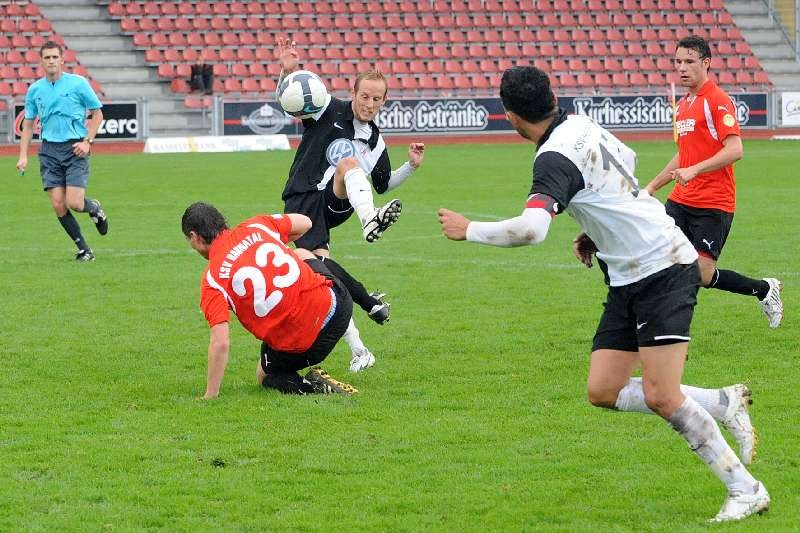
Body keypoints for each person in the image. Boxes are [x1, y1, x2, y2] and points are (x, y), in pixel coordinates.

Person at [438, 66, 769, 522]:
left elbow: (532, 230)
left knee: (661, 395)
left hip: (663, 265)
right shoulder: (581, 124)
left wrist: (468, 229)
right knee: (604, 389)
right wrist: (596, 230)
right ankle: (723, 402)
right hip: (627, 271)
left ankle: (745, 488)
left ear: (511, 116)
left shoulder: (552, 157)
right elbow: (623, 171)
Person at [276, 36, 426, 373]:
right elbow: (297, 98)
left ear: (384, 101)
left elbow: (384, 184)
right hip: (301, 199)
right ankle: (361, 347)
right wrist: (288, 72)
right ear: (353, 93)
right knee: (323, 276)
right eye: (364, 96)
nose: (369, 104)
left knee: (349, 165)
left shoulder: (374, 140)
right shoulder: (328, 107)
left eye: (376, 99)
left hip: (335, 200)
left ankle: (370, 220)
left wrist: (411, 167)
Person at [645, 35, 783, 328]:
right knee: (660, 258)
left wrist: (696, 170)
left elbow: (735, 149)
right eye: (678, 62)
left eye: (689, 62)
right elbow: (683, 154)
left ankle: (764, 289)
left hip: (713, 203)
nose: (682, 68)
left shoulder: (717, 101)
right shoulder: (683, 105)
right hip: (681, 200)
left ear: (706, 63)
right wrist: (653, 186)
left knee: (702, 274)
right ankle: (663, 325)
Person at [182, 202, 358, 397]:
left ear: (194, 237)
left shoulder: (212, 280)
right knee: (301, 254)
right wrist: (278, 242)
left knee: (265, 375)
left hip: (310, 343)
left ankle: (314, 385)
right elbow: (305, 223)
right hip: (339, 307)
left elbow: (221, 342)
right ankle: (370, 303)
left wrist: (210, 394)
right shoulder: (255, 225)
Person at [16, 41, 108, 262]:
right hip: (49, 150)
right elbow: (28, 124)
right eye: (47, 57)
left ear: (62, 60)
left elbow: (97, 114)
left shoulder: (78, 84)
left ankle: (94, 207)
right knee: (58, 204)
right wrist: (23, 155)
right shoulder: (35, 90)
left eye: (54, 57)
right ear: (41, 61)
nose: (51, 61)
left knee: (75, 203)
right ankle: (85, 250)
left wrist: (88, 141)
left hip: (75, 147)